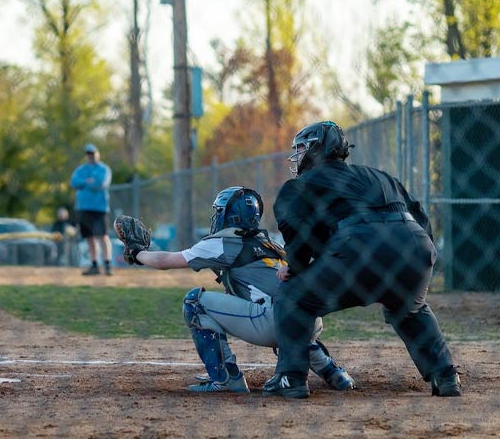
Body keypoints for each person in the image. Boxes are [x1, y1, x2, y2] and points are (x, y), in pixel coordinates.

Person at [263, 120, 461, 399]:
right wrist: (424, 260)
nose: (296, 155)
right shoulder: (379, 175)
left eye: (301, 148)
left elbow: (298, 231)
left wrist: (294, 268)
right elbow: (419, 216)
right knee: (410, 308)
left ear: (317, 150)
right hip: (414, 247)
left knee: (293, 297)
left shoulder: (300, 184)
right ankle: (446, 375)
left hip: (359, 247)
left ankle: (291, 378)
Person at [121, 186, 355, 393]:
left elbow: (165, 261)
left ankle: (225, 378)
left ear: (229, 216)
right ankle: (333, 372)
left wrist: (137, 253)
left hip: (273, 322)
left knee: (195, 303)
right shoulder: (270, 243)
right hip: (308, 321)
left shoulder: (224, 240)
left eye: (218, 211)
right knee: (285, 315)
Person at [70, 143, 113, 276]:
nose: (91, 156)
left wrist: (84, 183)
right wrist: (86, 182)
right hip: (83, 208)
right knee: (89, 237)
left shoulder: (104, 169)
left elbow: (100, 183)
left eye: (93, 153)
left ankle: (107, 264)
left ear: (97, 154)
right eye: (88, 154)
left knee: (103, 236)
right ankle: (94, 265)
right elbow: (73, 182)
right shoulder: (81, 169)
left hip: (99, 208)